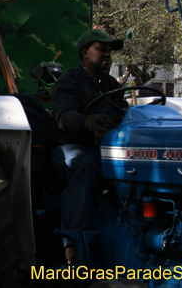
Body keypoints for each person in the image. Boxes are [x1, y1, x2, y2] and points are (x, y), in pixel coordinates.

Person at [50, 28, 127, 265]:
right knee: (81, 165)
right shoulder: (69, 81)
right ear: (85, 52)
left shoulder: (111, 84)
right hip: (69, 148)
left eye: (109, 51)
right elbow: (64, 116)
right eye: (101, 49)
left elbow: (122, 111)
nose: (107, 55)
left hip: (103, 150)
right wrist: (87, 122)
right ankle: (74, 245)